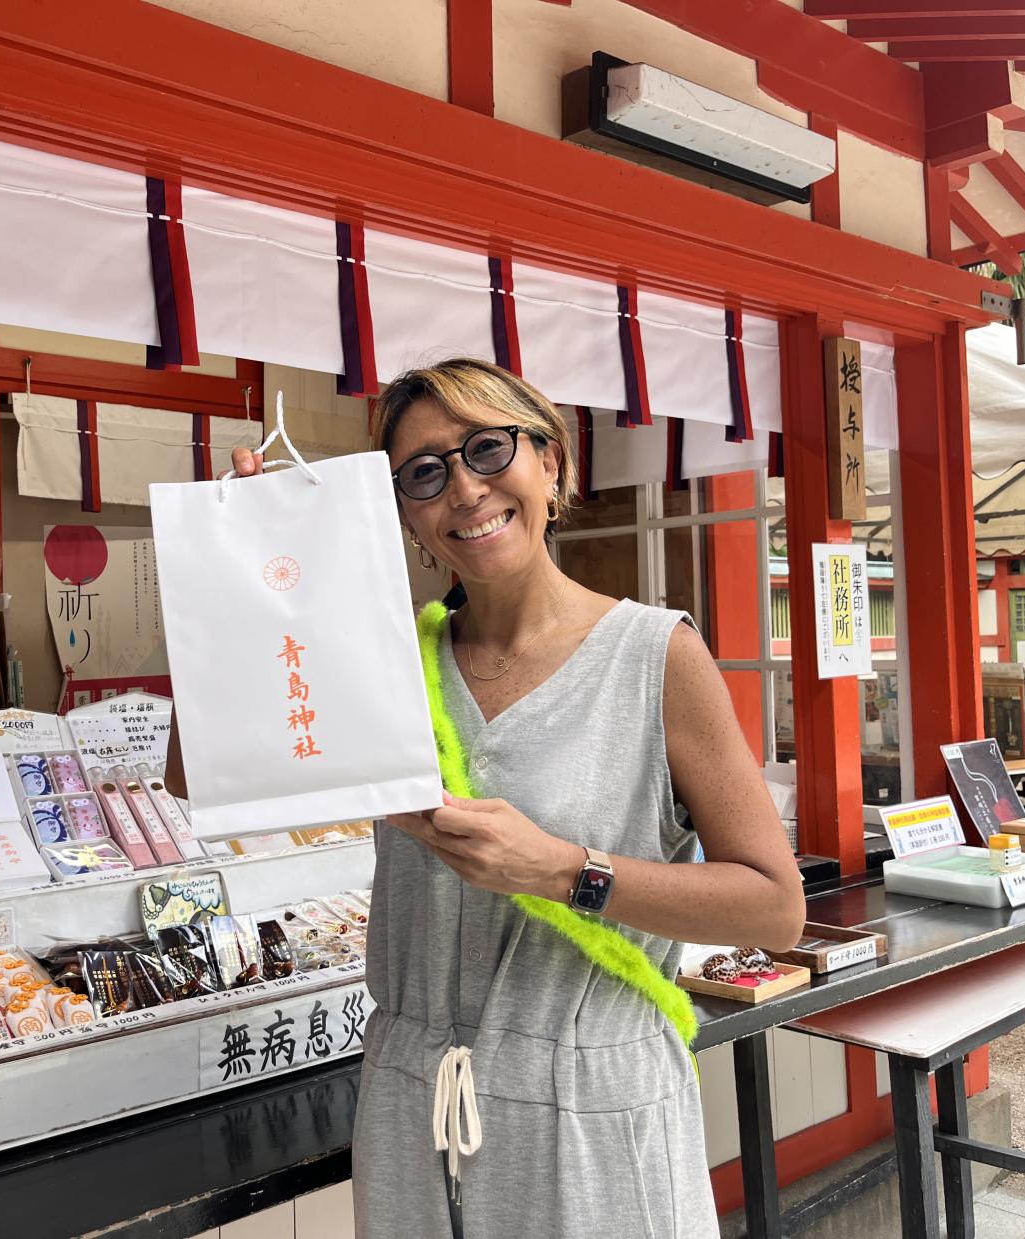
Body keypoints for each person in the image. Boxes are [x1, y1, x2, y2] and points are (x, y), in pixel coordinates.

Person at [169, 358, 805, 1237]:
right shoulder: (388, 663)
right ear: (406, 516)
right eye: (425, 473)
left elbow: (775, 908)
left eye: (487, 449)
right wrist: (238, 571)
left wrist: (563, 870)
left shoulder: (655, 656)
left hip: (593, 1107)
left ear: (550, 462)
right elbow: (200, 773)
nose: (465, 488)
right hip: (411, 1107)